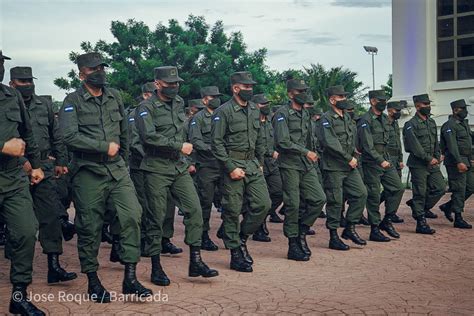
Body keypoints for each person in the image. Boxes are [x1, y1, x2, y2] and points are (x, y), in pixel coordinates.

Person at [59, 52, 152, 302]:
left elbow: (124, 132)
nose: (99, 71)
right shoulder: (72, 101)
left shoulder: (114, 97)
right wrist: (102, 146)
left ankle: (130, 278)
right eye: (93, 69)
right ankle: (93, 280)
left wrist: (121, 156)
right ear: (82, 74)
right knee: (89, 226)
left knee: (133, 215)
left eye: (102, 67)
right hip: (88, 172)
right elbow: (68, 136)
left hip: (117, 169)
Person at [135, 66, 218, 286]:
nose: (174, 87)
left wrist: (186, 157)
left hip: (179, 167)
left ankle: (195, 261)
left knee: (195, 210)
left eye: (176, 83)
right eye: (169, 83)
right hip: (155, 168)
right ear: (157, 84)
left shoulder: (180, 102)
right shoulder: (146, 107)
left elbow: (182, 131)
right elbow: (149, 137)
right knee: (157, 217)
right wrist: (179, 146)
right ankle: (155, 266)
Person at [9, 66, 78, 282]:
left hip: (44, 168)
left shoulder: (44, 105)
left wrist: (60, 161)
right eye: (22, 82)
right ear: (12, 84)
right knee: (17, 221)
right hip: (14, 170)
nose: (28, 84)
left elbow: (55, 134)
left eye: (30, 80)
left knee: (51, 216)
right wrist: (22, 161)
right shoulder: (7, 104)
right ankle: (16, 265)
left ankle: (54, 266)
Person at [0, 50, 46, 315]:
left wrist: (36, 164)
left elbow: (27, 131)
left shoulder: (11, 96)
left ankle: (19, 296)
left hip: (13, 177)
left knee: (27, 232)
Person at [211, 71, 271, 272]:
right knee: (232, 210)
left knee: (263, 205)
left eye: (251, 87)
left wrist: (260, 161)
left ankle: (242, 238)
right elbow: (216, 143)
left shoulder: (254, 109)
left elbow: (260, 137)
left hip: (252, 163)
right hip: (233, 164)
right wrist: (230, 167)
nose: (250, 90)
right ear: (236, 88)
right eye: (246, 87)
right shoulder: (223, 111)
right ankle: (235, 253)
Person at [273, 81, 326, 260]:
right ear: (290, 94)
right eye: (299, 91)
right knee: (293, 204)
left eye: (305, 90)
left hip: (306, 164)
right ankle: (293, 243)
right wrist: (306, 152)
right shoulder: (282, 114)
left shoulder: (305, 112)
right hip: (289, 165)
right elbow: (283, 141)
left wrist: (313, 154)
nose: (304, 93)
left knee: (319, 199)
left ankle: (301, 232)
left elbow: (309, 138)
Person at [318, 85, 368, 250]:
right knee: (335, 201)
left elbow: (349, 138)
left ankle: (349, 228)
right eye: (341, 97)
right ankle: (333, 237)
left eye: (345, 97)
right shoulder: (326, 119)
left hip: (349, 166)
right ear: (332, 100)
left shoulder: (347, 117)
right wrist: (348, 157)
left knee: (361, 193)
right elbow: (330, 142)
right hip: (334, 167)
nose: (344, 100)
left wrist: (353, 151)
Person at [357, 90, 404, 241]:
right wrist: (380, 160)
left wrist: (390, 159)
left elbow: (389, 141)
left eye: (385, 100)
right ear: (372, 101)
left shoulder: (385, 119)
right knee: (373, 196)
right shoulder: (365, 120)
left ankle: (387, 220)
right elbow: (367, 146)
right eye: (380, 100)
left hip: (385, 160)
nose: (384, 103)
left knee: (397, 188)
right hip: (372, 163)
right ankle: (374, 229)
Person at [403, 93, 445, 234]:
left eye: (429, 104)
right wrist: (428, 158)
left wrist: (438, 155)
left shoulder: (431, 122)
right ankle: (421, 223)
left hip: (432, 163)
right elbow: (414, 146)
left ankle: (417, 207)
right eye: (425, 104)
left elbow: (435, 141)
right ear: (417, 106)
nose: (428, 106)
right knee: (420, 192)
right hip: (418, 164)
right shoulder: (410, 124)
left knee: (440, 187)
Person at [188, 86, 224, 251]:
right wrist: (214, 149)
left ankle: (226, 230)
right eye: (212, 97)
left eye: (217, 96)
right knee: (205, 202)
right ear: (204, 100)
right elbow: (196, 140)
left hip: (224, 165)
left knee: (232, 201)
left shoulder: (224, 115)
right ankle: (203, 235)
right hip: (207, 166)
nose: (216, 99)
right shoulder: (198, 118)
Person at [251, 94, 283, 242]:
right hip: (259, 162)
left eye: (267, 104)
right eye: (263, 104)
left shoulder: (270, 120)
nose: (266, 106)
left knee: (279, 191)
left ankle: (263, 217)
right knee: (260, 198)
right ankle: (259, 227)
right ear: (256, 106)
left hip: (273, 163)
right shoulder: (250, 121)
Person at [439, 99, 473, 229]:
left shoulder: (463, 124)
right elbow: (452, 145)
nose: (465, 111)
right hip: (455, 161)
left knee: (470, 186)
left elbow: (469, 140)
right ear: (455, 110)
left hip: (466, 160)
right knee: (459, 189)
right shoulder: (450, 125)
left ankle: (448, 206)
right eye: (462, 108)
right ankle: (458, 218)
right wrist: (459, 161)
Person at [380, 100, 406, 224]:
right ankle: (374, 207)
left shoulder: (395, 123)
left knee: (396, 188)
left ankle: (391, 213)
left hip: (396, 159)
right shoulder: (383, 121)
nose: (399, 113)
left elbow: (398, 143)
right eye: (397, 110)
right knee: (391, 188)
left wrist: (400, 159)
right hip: (386, 158)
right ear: (390, 110)